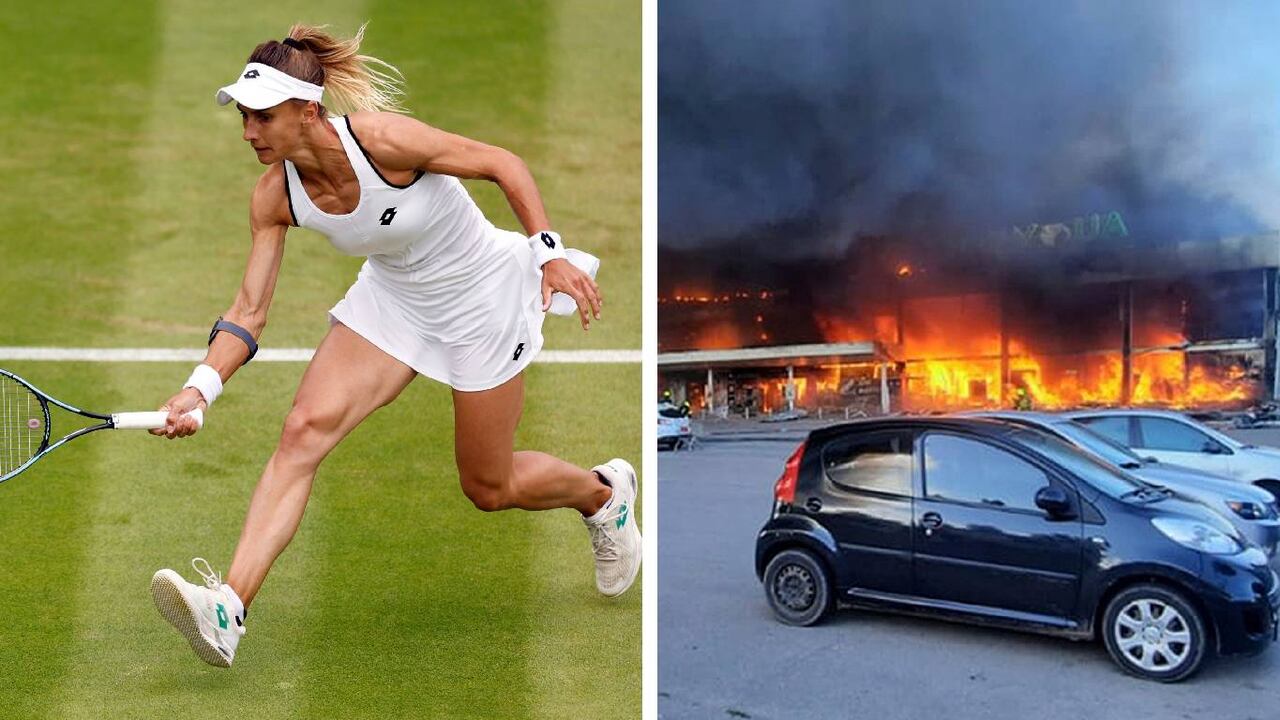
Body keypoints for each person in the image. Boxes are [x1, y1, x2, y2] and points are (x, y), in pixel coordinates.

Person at [146, 24, 641, 669]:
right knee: (301, 433)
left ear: (306, 109)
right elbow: (248, 313)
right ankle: (228, 608)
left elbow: (503, 164)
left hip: (480, 298)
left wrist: (548, 255)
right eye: (244, 116)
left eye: (262, 116)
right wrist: (200, 388)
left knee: (487, 486)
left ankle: (603, 495)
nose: (249, 131)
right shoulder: (275, 195)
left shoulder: (384, 140)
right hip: (394, 300)